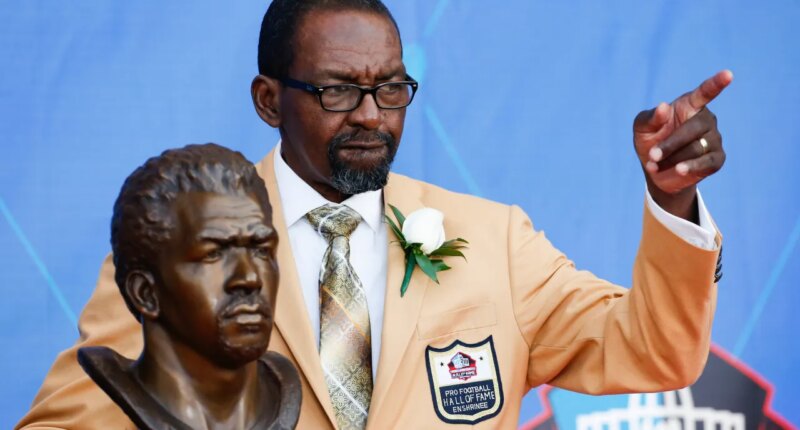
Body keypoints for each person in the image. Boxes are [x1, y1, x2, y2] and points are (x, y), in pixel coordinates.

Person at [17, 0, 730, 428]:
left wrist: (673, 201)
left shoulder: (492, 240)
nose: (371, 116)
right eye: (337, 91)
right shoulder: (180, 244)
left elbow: (656, 349)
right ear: (269, 100)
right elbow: (75, 416)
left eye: (391, 89)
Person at [76, 143, 301, 429]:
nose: (249, 278)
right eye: (213, 254)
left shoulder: (283, 390)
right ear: (146, 293)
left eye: (261, 250)